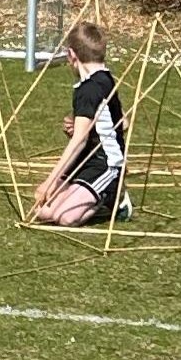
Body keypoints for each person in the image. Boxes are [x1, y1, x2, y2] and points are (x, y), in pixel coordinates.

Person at [31, 21, 125, 226]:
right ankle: (86, 196)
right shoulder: (104, 78)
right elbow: (121, 122)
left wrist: (48, 182)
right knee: (44, 212)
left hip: (105, 164)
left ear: (71, 54)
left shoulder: (90, 89)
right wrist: (82, 126)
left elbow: (79, 141)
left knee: (65, 218)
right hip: (84, 161)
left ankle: (112, 199)